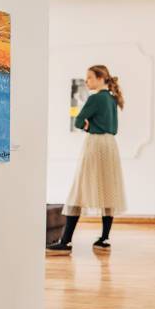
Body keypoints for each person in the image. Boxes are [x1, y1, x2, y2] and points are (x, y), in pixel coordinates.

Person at [46, 65, 127, 256]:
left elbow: (78, 121)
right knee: (108, 190)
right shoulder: (111, 98)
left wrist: (87, 125)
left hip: (95, 144)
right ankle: (104, 239)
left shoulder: (96, 97)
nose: (87, 81)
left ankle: (65, 242)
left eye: (89, 78)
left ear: (100, 78)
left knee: (78, 190)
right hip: (110, 145)